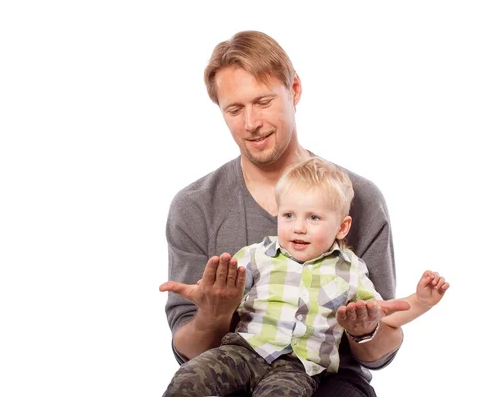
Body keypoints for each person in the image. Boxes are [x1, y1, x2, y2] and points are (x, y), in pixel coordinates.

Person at [160, 30, 406, 396]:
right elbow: (190, 354)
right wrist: (214, 312)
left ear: (294, 91)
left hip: (325, 374)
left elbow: (377, 353)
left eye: (262, 102)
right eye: (235, 109)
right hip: (233, 361)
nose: (251, 124)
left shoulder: (360, 198)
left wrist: (364, 329)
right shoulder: (194, 206)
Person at [161, 157, 449, 396]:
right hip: (243, 352)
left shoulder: (350, 269)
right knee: (189, 380)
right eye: (288, 216)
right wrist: (202, 295)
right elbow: (218, 290)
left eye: (313, 218)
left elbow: (382, 315)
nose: (298, 227)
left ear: (342, 227)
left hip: (299, 367)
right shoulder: (256, 255)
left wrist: (421, 301)